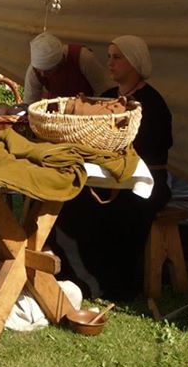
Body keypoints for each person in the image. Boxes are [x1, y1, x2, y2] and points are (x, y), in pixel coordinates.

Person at [49, 35, 173, 300]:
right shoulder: (106, 98)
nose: (110, 63)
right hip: (105, 180)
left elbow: (155, 147)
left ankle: (107, 283)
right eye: (109, 56)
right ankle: (72, 274)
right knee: (68, 202)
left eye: (117, 57)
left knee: (116, 213)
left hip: (143, 183)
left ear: (135, 62)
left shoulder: (152, 104)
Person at [23, 33, 112, 104]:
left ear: (60, 62)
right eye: (39, 70)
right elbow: (30, 103)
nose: (42, 74)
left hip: (87, 109)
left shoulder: (83, 58)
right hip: (56, 110)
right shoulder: (33, 71)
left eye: (48, 71)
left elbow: (103, 93)